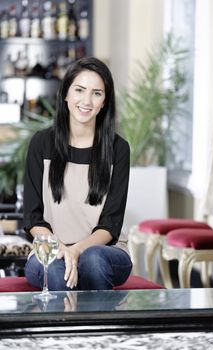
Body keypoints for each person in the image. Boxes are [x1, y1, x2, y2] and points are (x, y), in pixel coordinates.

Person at [23, 56, 132, 291]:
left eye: (97, 93)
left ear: (104, 101)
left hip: (106, 252)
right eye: (79, 90)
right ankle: (64, 328)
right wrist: (62, 249)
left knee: (93, 260)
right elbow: (32, 216)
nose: (87, 100)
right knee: (55, 268)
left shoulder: (117, 149)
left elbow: (111, 224)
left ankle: (100, 329)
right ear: (66, 94)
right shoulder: (41, 144)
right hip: (50, 249)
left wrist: (77, 250)